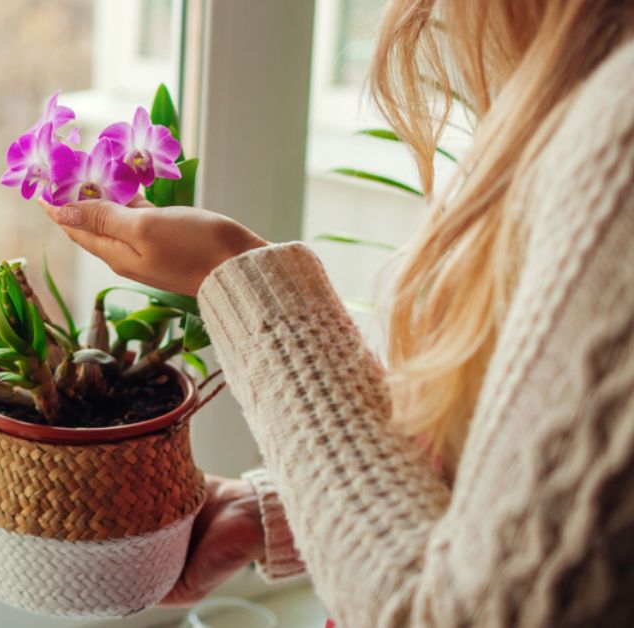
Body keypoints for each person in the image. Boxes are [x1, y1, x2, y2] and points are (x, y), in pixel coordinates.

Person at [41, 1, 634, 625]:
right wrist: (286, 513)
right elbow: (538, 494)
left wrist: (238, 272)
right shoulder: (584, 89)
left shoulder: (617, 135)